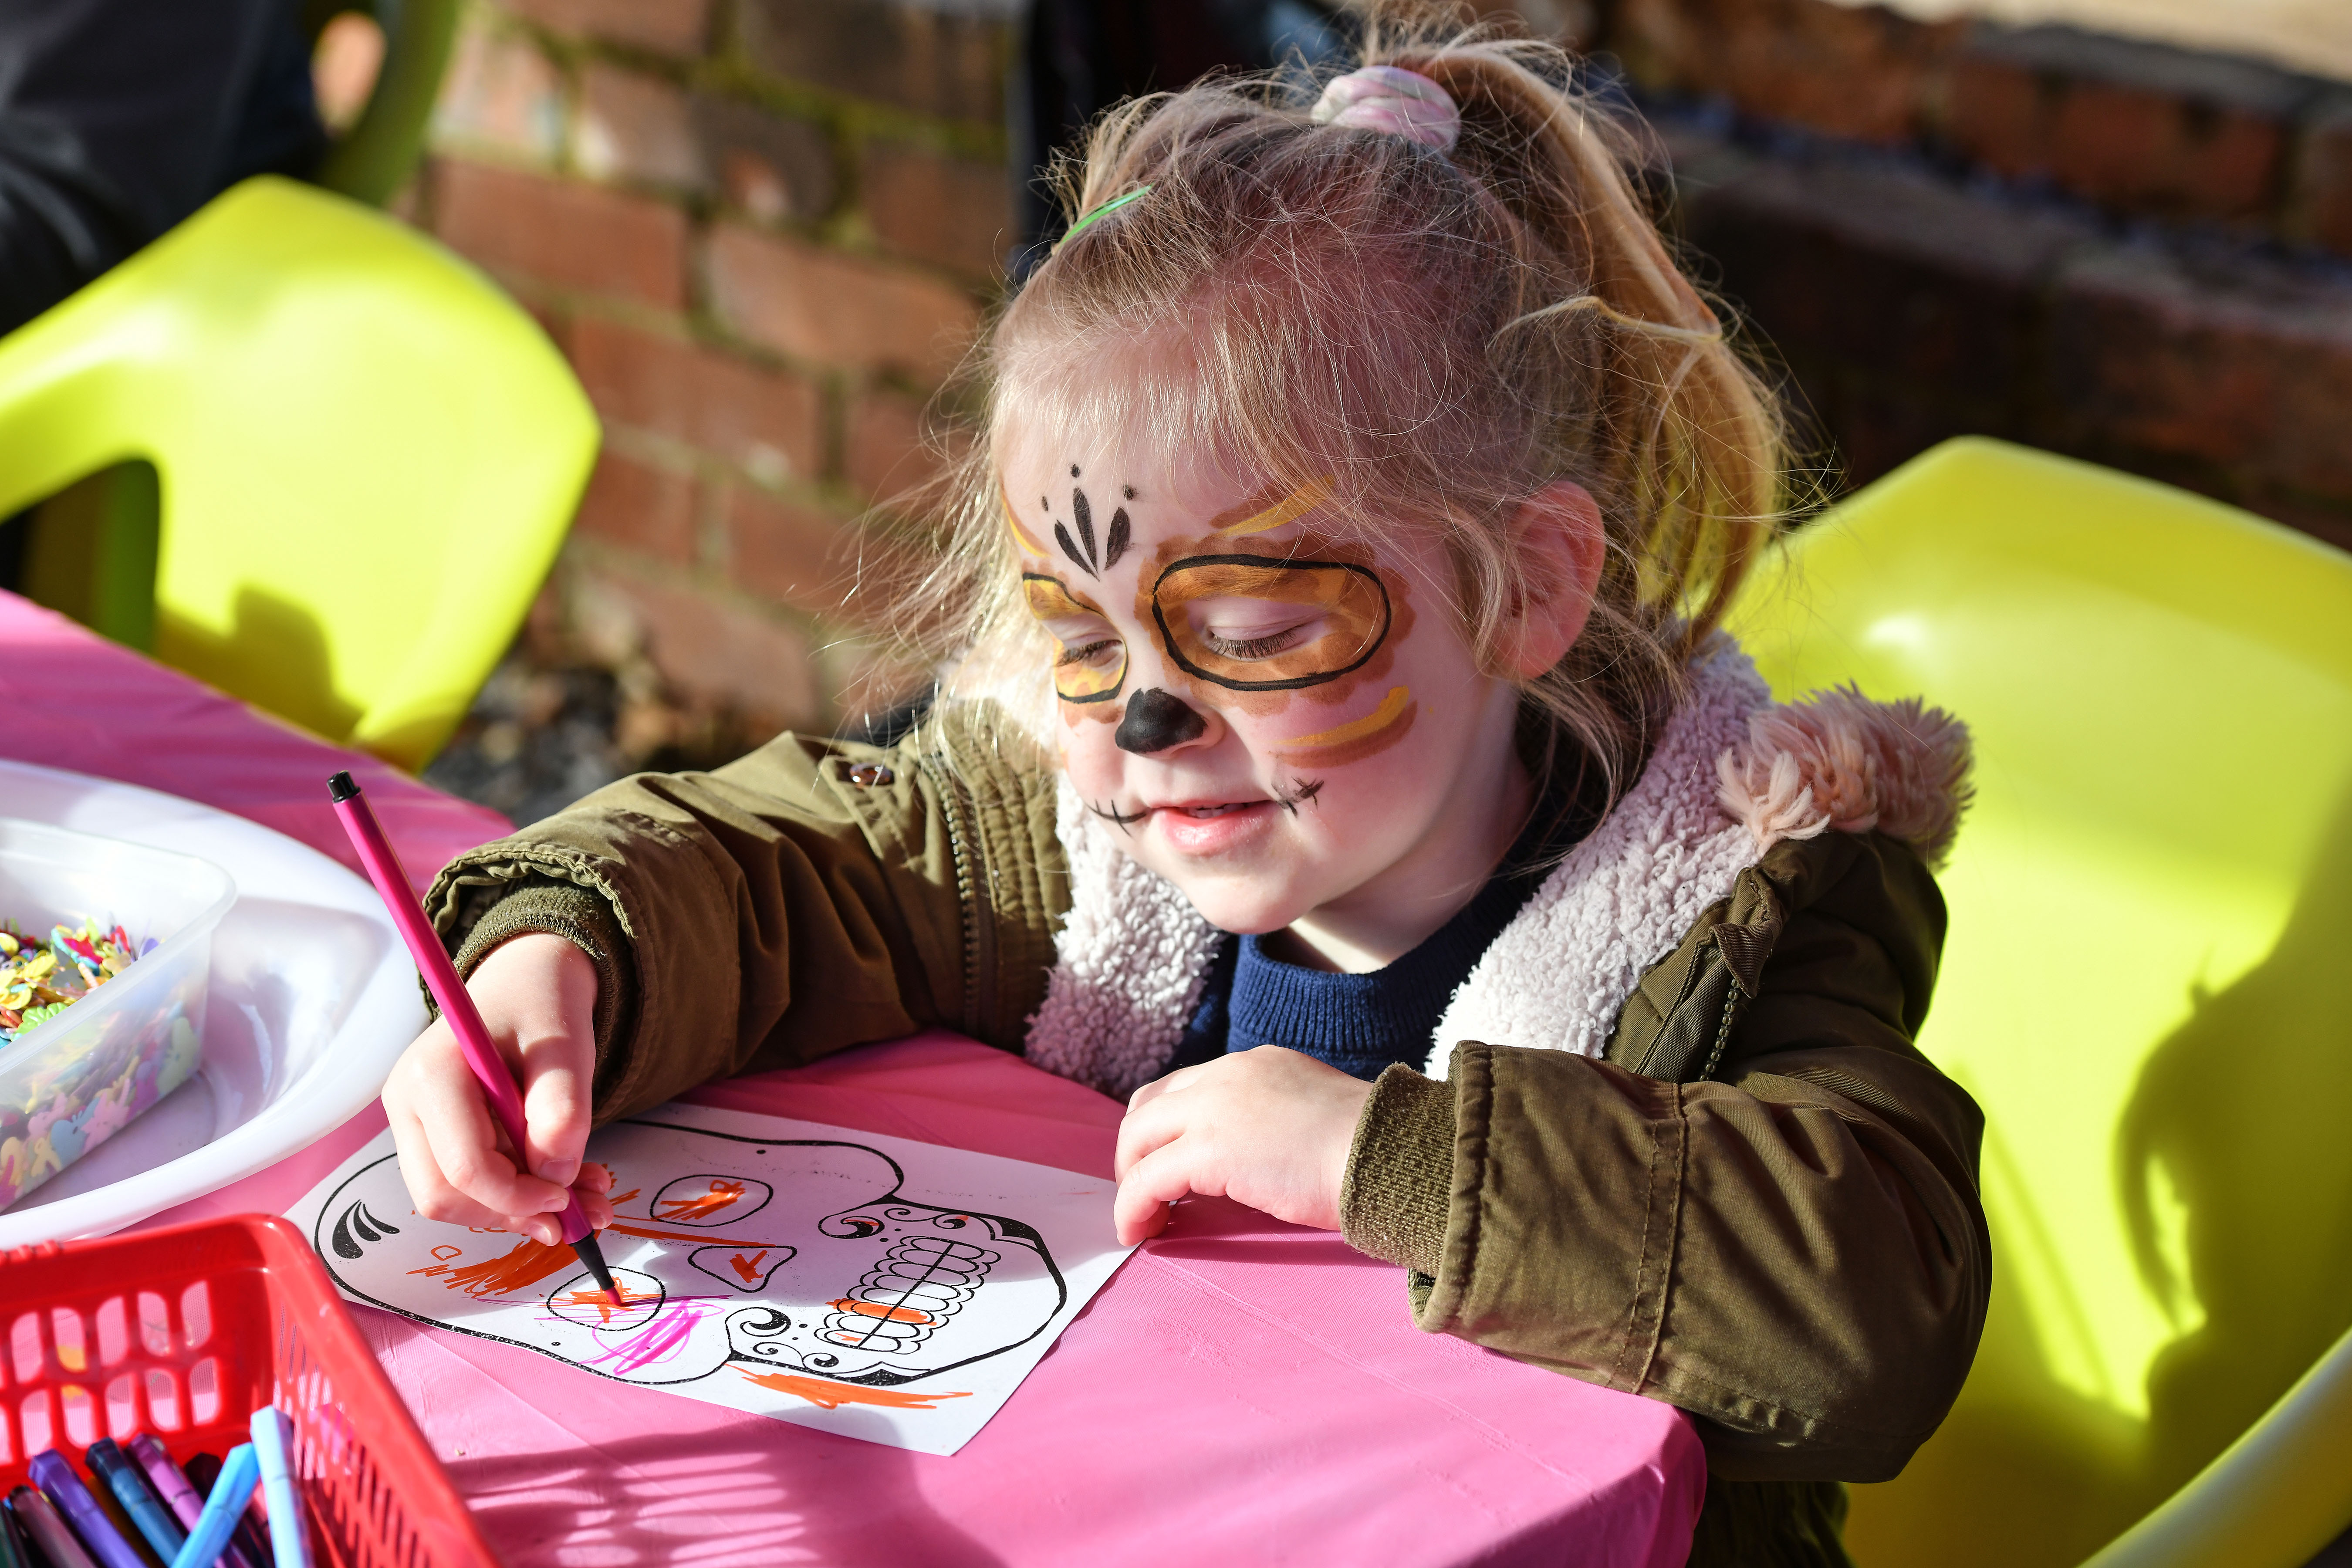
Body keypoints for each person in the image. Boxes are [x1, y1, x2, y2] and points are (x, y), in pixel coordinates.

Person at [384, 10, 1989, 1563]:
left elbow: (1877, 1301)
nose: (1145, 723)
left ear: (1530, 584)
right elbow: (758, 863)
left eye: (1253, 629)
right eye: (1080, 635)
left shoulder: (1736, 905)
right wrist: (558, 954)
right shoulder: (1054, 834)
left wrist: (1385, 1158)